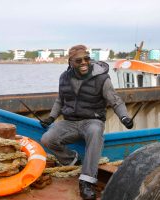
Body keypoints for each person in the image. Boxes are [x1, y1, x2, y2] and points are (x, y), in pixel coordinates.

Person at [40, 45, 133, 200]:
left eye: (87, 58)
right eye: (79, 60)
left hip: (92, 121)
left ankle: (86, 181)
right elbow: (60, 101)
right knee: (47, 139)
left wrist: (124, 117)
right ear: (70, 62)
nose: (84, 62)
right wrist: (51, 117)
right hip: (70, 122)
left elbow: (115, 101)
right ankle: (73, 160)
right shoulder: (64, 77)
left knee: (95, 132)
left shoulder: (102, 78)